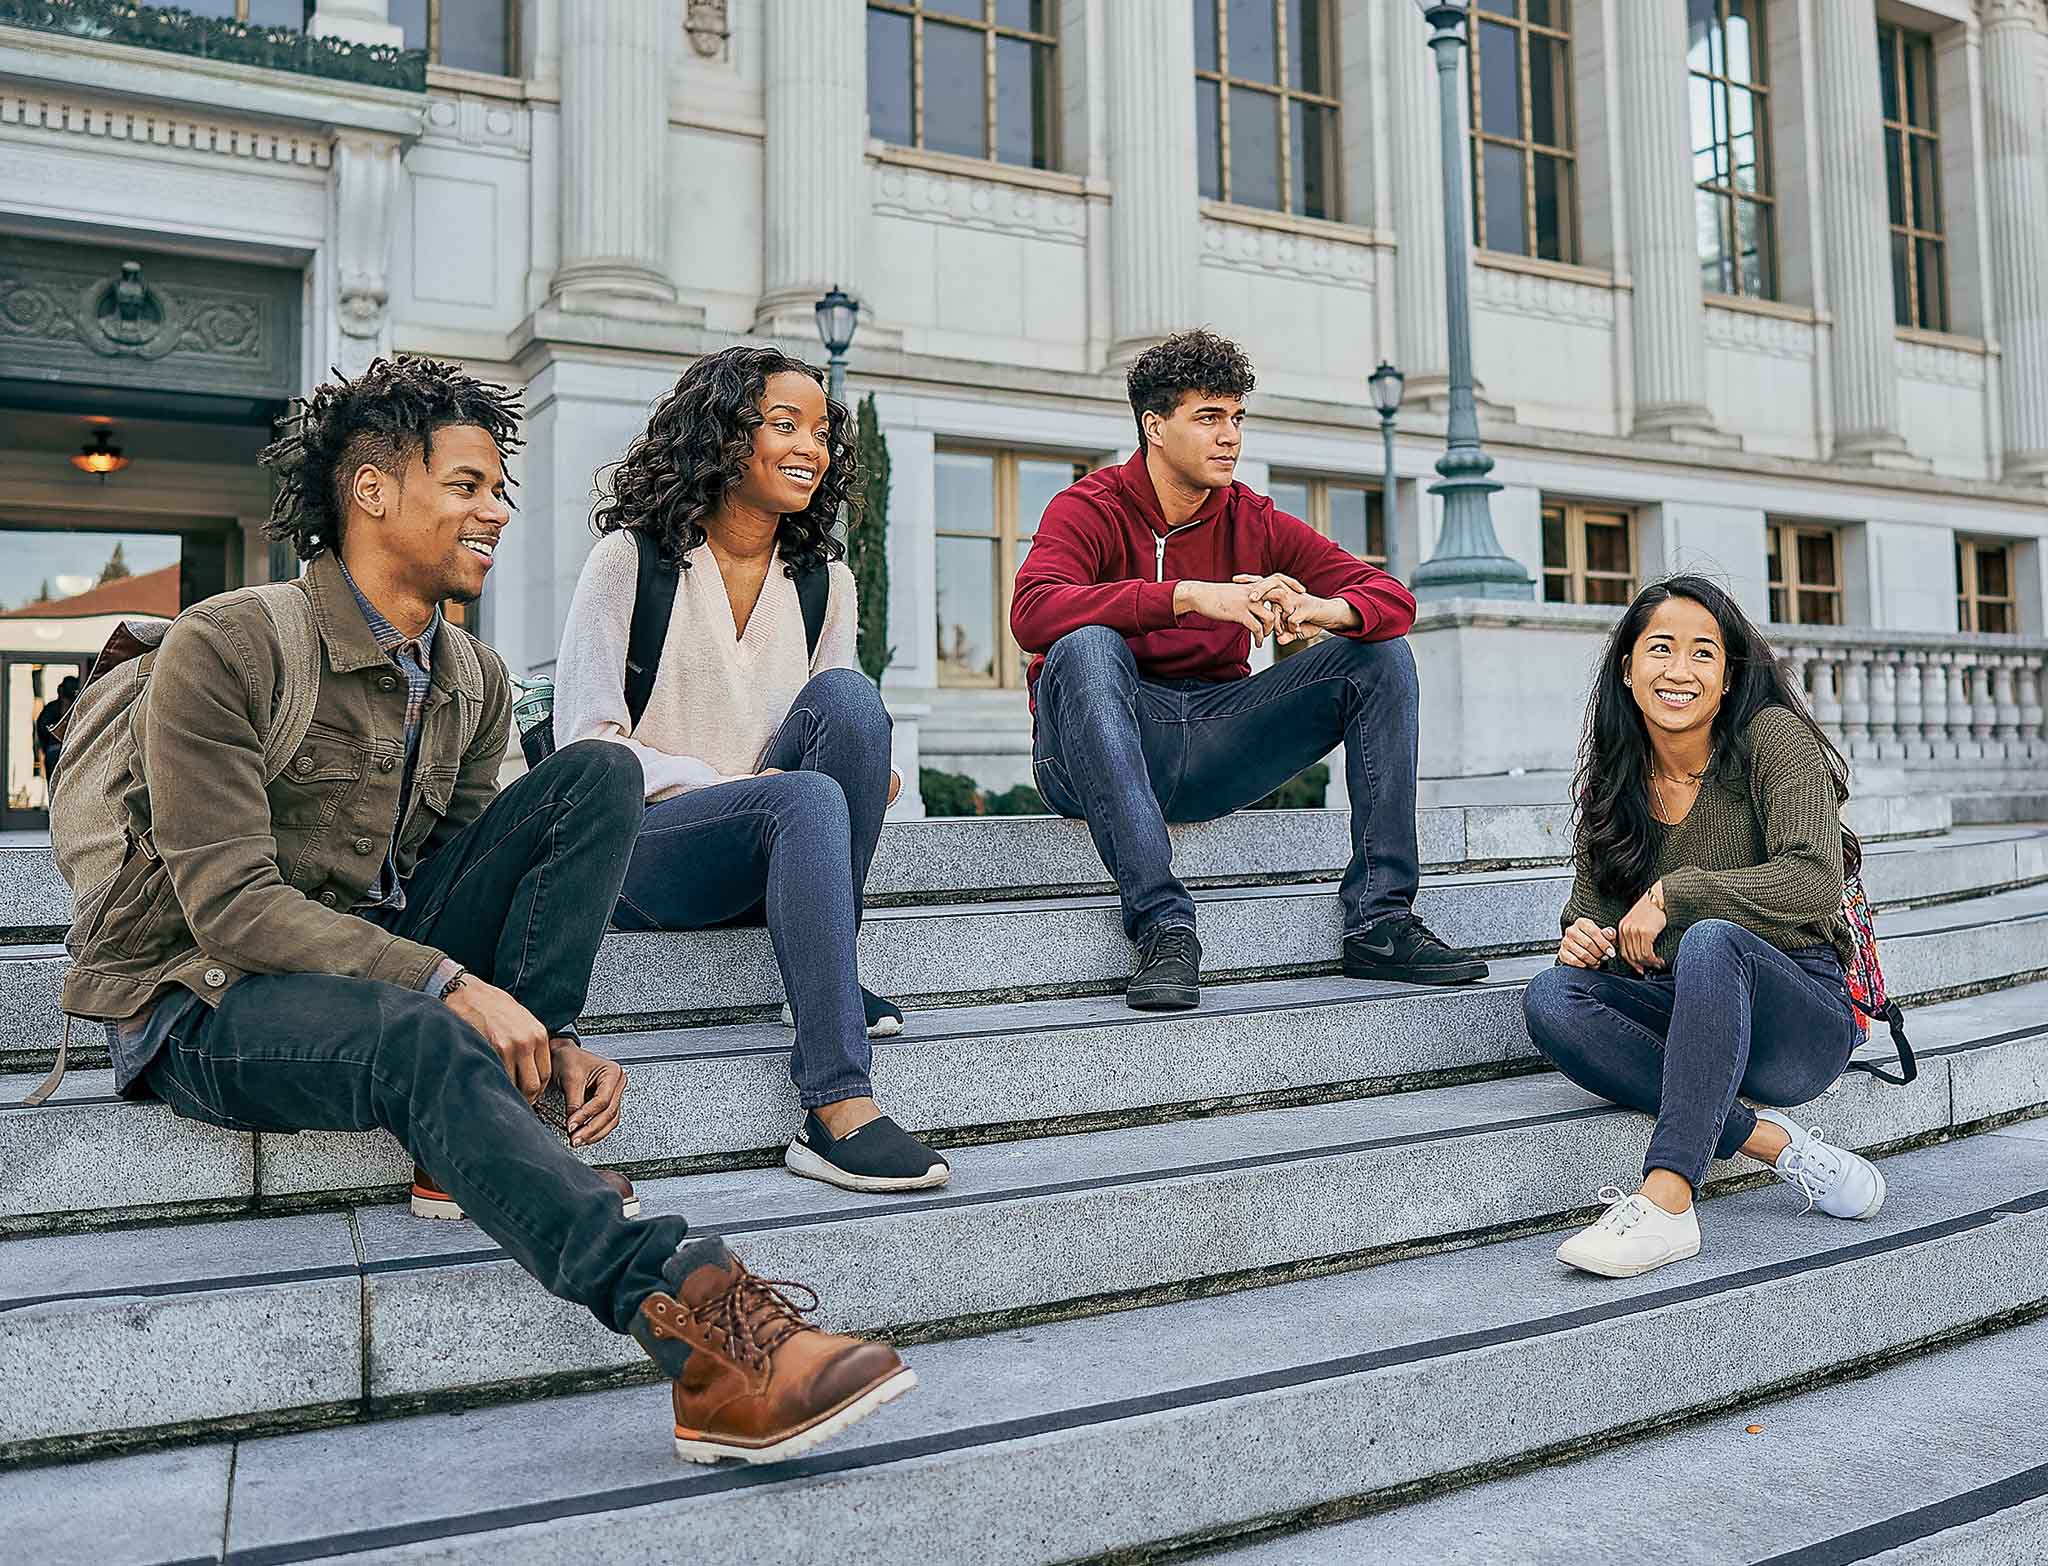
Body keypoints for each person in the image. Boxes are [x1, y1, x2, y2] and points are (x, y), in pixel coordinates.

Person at [60, 355, 912, 1461]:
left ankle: (517, 1098)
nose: (496, 511)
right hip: (208, 999)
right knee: (417, 1030)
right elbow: (230, 909)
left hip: (378, 968)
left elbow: (475, 873)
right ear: (372, 493)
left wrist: (540, 1025)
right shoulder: (232, 644)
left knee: (596, 777)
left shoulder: (471, 676)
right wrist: (453, 987)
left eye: (497, 489)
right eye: (466, 486)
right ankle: (708, 1342)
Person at [554, 344, 949, 1196]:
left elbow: (829, 728)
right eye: (784, 425)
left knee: (851, 702)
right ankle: (836, 1107)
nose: (813, 446)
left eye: (822, 431)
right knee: (801, 794)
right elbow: (587, 741)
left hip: (773, 836)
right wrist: (727, 788)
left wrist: (861, 768)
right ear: (723, 437)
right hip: (647, 849)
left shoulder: (823, 581)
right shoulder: (633, 561)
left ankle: (823, 972)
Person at [1010, 328, 1488, 1012]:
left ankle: (1381, 921)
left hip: (1212, 739)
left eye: (1236, 418)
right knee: (1085, 645)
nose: (1229, 436)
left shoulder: (1254, 518)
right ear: (1155, 425)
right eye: (1208, 417)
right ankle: (1165, 928)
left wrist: (1324, 609)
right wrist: (1189, 596)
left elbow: (1394, 600)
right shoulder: (1089, 507)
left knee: (1380, 654)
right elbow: (1032, 611)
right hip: (1094, 752)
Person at [1524, 575, 1887, 1281]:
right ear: (1628, 669)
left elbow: (1813, 880)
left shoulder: (1772, 741)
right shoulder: (1617, 780)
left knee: (1712, 938)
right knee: (1550, 997)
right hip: (1693, 1013)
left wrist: (1680, 893)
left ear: (1727, 679)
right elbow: (1592, 914)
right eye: (1660, 649)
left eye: (1703, 654)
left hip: (1798, 1015)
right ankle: (1773, 1145)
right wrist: (1582, 941)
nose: (1679, 671)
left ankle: (1666, 1201)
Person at [34, 673, 78, 784]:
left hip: (67, 750)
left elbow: (41, 730)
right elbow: (42, 729)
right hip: (55, 750)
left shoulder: (76, 709)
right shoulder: (52, 709)